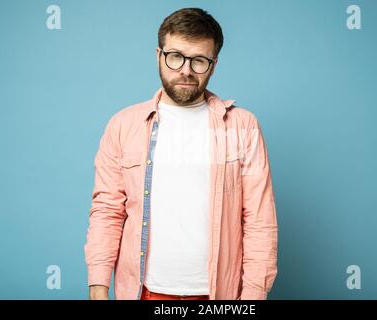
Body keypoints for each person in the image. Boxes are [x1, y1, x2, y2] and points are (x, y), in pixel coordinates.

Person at [85, 7, 278, 300]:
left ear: (214, 64)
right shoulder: (123, 126)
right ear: (158, 55)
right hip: (145, 292)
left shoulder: (242, 126)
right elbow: (107, 211)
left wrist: (254, 295)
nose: (185, 70)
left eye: (199, 60)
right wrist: (98, 289)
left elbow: (259, 219)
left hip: (220, 294)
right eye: (175, 57)